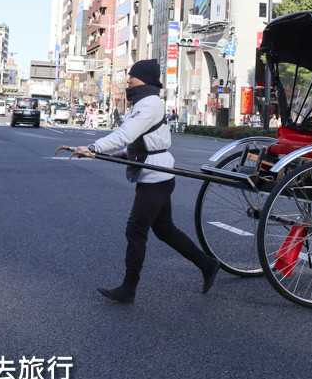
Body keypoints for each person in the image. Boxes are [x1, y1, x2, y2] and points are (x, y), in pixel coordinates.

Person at [66, 59, 220, 303]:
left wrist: (94, 147)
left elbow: (126, 134)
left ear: (144, 79)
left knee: (136, 229)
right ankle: (207, 264)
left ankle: (128, 289)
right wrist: (126, 153)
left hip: (156, 177)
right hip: (154, 173)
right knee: (164, 229)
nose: (128, 80)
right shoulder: (145, 102)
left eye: (132, 76)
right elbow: (149, 138)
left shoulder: (148, 103)